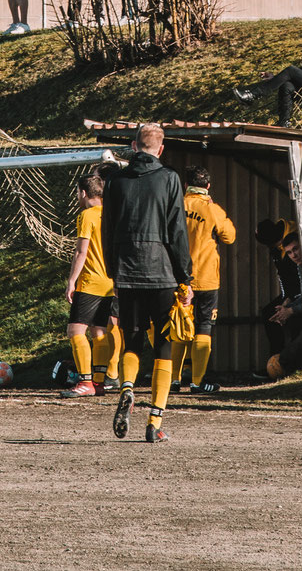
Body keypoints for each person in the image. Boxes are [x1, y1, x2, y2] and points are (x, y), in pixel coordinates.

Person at [101, 123, 192, 443]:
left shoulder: (114, 181)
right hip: (161, 273)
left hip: (126, 272)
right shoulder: (169, 178)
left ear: (133, 145)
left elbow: (107, 231)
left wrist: (114, 273)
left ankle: (127, 388)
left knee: (132, 342)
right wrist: (186, 278)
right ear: (161, 149)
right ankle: (154, 422)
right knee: (164, 346)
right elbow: (177, 231)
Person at [60, 171, 121, 398]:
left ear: (83, 193)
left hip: (90, 281)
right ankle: (99, 382)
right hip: (109, 282)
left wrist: (71, 281)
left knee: (75, 330)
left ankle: (85, 381)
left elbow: (81, 251)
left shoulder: (86, 216)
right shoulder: (112, 214)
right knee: (99, 331)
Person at [175, 166, 235, 393]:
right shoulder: (212, 209)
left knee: (177, 327)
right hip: (207, 278)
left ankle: (172, 380)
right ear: (208, 186)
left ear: (185, 185)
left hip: (178, 278)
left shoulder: (176, 204)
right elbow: (230, 237)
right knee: (204, 326)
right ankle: (197, 382)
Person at [256, 218, 302, 378]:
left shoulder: (293, 237)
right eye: (289, 252)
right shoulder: (279, 250)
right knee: (271, 314)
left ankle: (291, 364)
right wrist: (286, 303)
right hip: (294, 294)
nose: (293, 254)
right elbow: (287, 280)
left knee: (296, 321)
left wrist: (290, 310)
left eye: (295, 250)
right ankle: (277, 362)